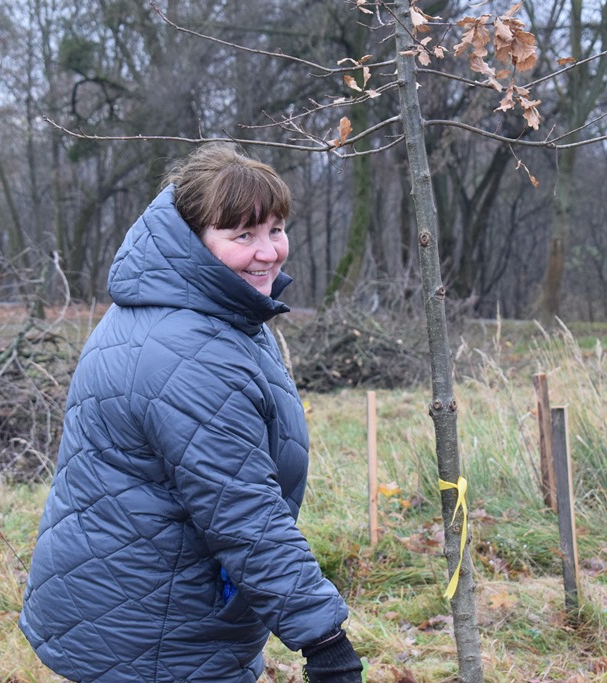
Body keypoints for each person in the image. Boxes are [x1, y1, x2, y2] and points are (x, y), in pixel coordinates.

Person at [19, 143, 363, 683]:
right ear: (195, 241)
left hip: (132, 603)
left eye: (275, 228)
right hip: (155, 629)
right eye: (242, 235)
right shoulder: (192, 350)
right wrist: (324, 639)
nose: (269, 251)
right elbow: (244, 513)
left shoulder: (191, 312)